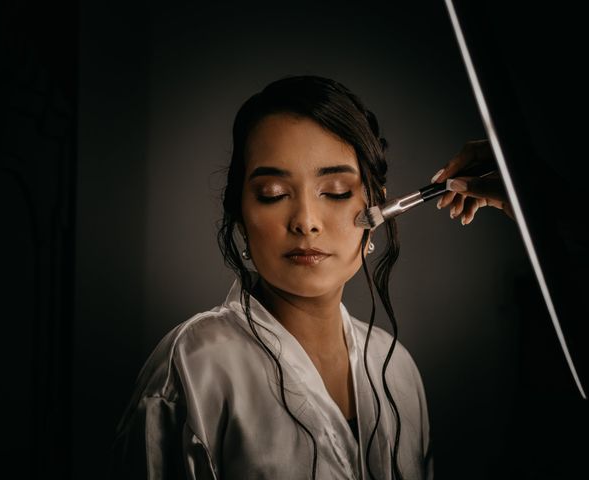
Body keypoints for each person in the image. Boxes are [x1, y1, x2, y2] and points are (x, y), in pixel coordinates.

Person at [110, 75, 510, 480]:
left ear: (376, 206)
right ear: (241, 217)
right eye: (272, 193)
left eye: (336, 191)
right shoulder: (193, 369)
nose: (305, 221)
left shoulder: (398, 370)